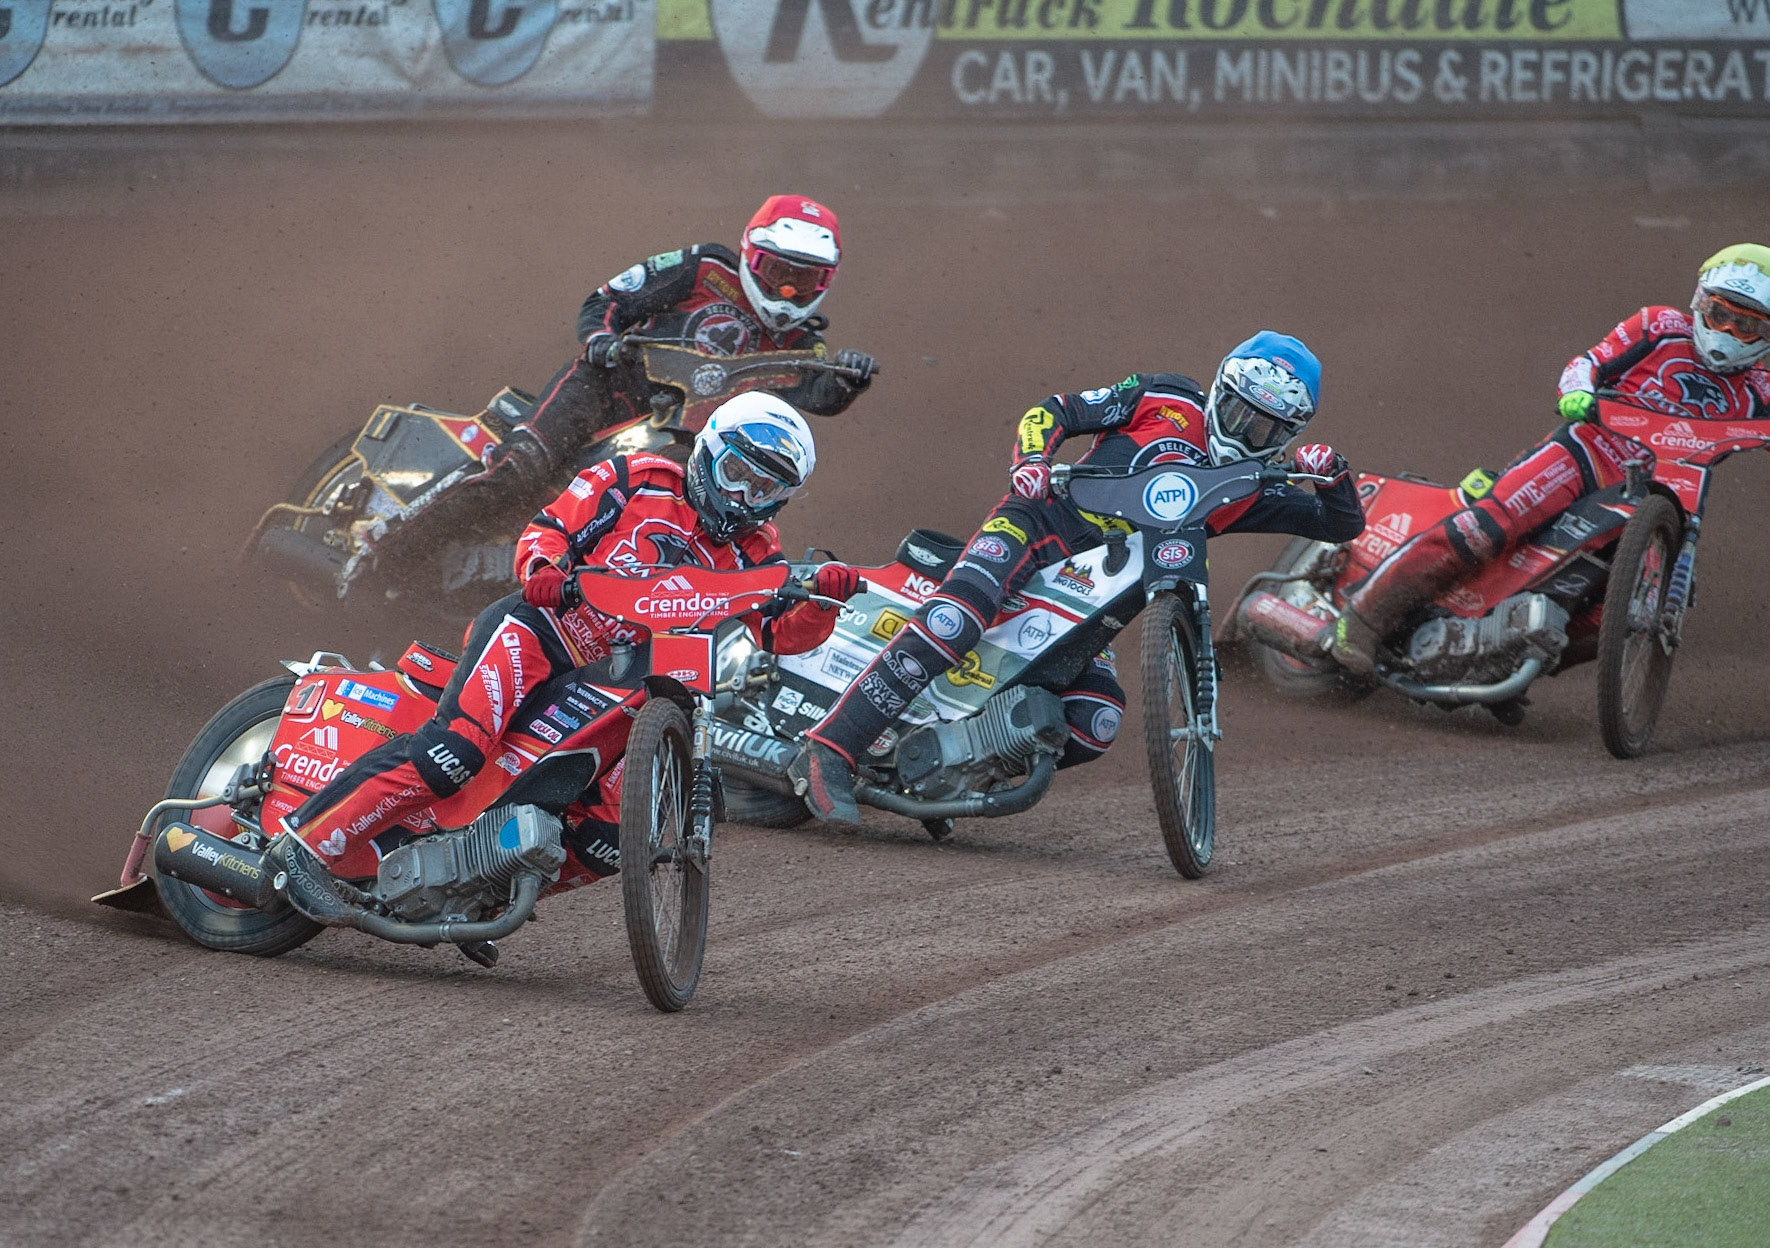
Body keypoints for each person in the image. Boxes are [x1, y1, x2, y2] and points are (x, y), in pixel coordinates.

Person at [283, 393, 862, 885]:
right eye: (738, 474)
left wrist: (822, 603)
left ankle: (479, 886)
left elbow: (778, 633)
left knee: (614, 832)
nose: (742, 499)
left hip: (620, 684)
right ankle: (301, 852)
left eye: (763, 490)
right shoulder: (634, 477)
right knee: (451, 756)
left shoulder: (757, 551)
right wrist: (545, 572)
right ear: (709, 450)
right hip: (540, 635)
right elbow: (549, 529)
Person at [787, 332, 1365, 826]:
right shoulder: (1161, 395)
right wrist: (1031, 461)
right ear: (1219, 388)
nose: (1245, 430)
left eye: (1265, 427)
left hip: (1095, 594)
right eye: (1239, 410)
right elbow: (1055, 410)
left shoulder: (1256, 485)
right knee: (956, 619)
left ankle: (948, 767)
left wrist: (1333, 477)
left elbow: (1342, 524)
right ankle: (830, 748)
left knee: (1096, 721)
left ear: (1289, 433)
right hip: (1035, 524)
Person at [1327, 243, 1770, 675]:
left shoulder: (1768, 392)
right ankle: (1364, 620)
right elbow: (1588, 363)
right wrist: (1576, 392)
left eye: (1746, 324)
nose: (1728, 332)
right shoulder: (1657, 327)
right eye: (1720, 314)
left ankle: (1499, 664)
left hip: (1662, 499)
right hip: (1586, 455)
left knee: (1632, 612)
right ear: (1699, 303)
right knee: (1486, 529)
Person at [481, 194, 877, 497]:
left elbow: (815, 394)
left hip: (678, 442)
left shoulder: (802, 344)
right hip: (608, 388)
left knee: (678, 508)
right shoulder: (704, 267)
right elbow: (609, 300)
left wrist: (849, 380)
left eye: (804, 281)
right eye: (777, 273)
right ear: (752, 257)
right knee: (518, 468)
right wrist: (601, 340)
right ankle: (417, 542)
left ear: (826, 282)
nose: (788, 290)